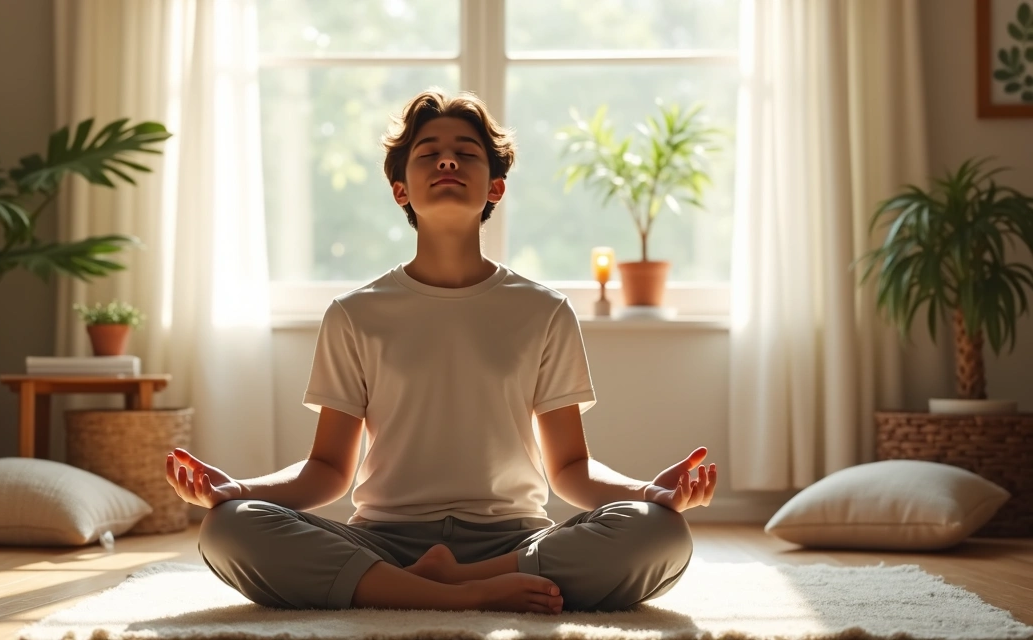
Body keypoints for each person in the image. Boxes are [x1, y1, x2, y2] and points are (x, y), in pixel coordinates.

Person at [165, 88, 718, 615]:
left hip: (516, 542)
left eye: (466, 154)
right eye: (429, 154)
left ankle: (427, 587)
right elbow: (329, 470)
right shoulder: (354, 314)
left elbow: (570, 469)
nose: (447, 162)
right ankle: (457, 593)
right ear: (400, 189)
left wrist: (649, 492)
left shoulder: (544, 311)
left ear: (495, 187)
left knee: (660, 531)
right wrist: (236, 490)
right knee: (227, 526)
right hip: (382, 541)